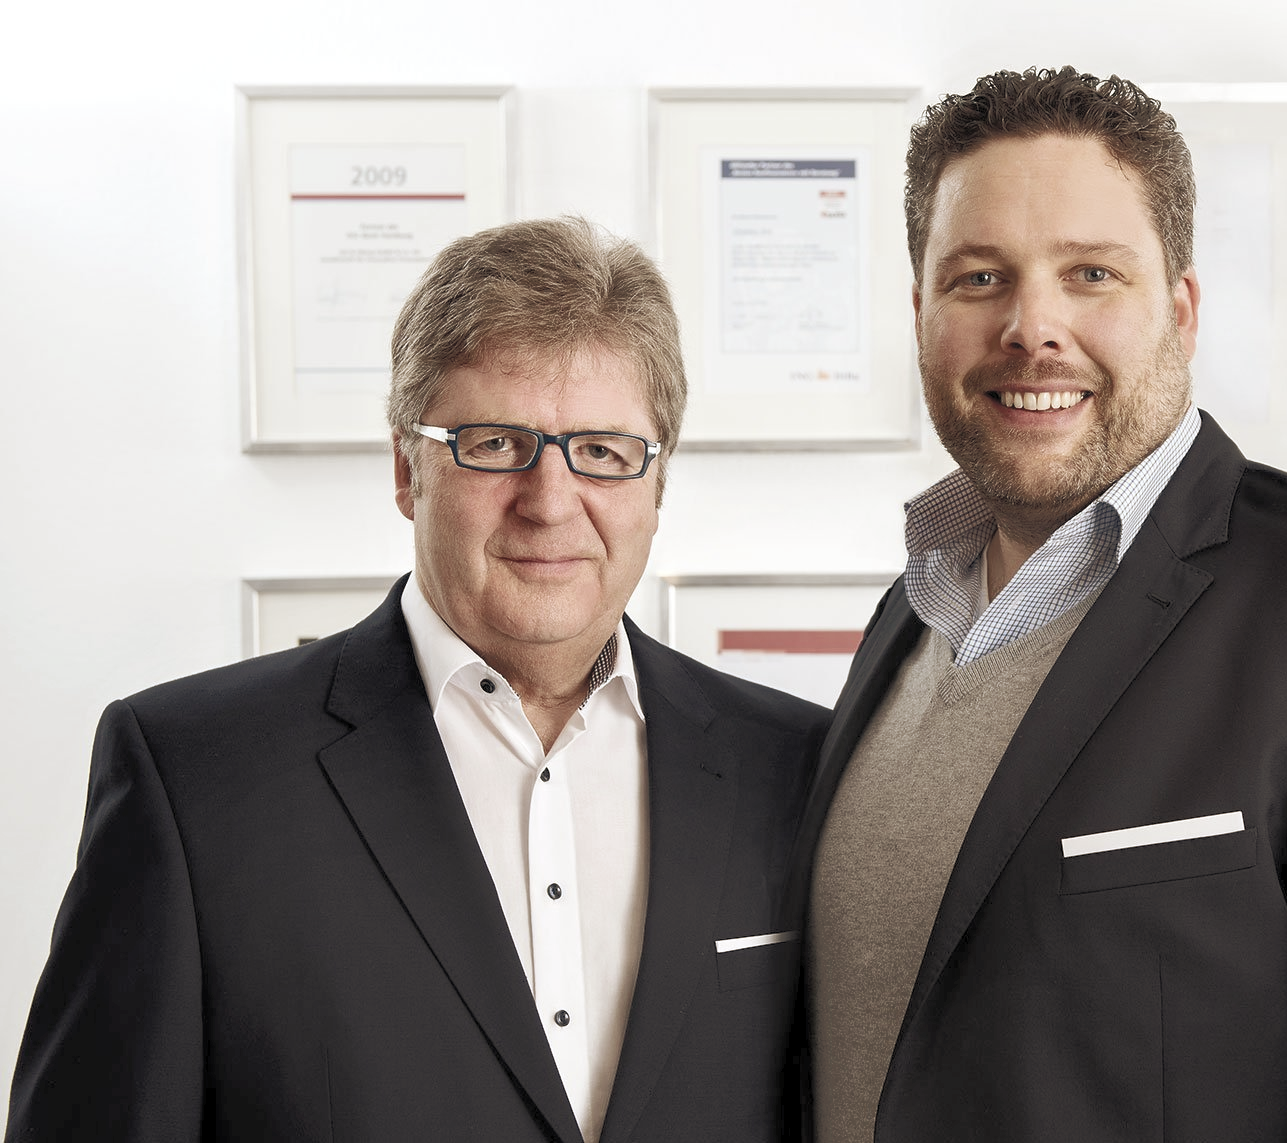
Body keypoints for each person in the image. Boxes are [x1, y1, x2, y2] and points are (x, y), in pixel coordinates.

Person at [797, 67, 1287, 1140]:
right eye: (979, 278)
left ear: (1179, 311)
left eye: (1090, 273)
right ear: (919, 314)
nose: (1031, 327)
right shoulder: (909, 617)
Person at [7, 217, 827, 1143]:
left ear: (657, 483)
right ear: (408, 469)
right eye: (495, 444)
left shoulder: (798, 769)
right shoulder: (193, 779)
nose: (550, 500)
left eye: (602, 450)